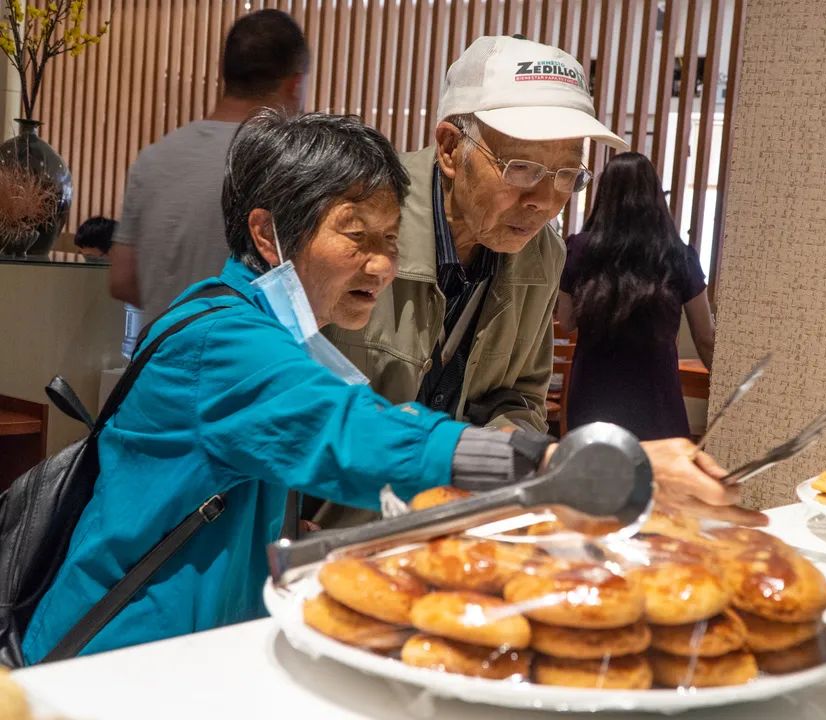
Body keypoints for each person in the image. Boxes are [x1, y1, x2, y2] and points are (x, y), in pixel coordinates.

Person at [19, 111, 739, 664]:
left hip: (193, 648)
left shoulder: (263, 322)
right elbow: (352, 431)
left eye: (391, 239)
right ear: (268, 234)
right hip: (116, 665)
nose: (381, 265)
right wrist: (564, 465)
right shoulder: (225, 340)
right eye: (356, 235)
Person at [321, 35, 627, 527]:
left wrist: (505, 450)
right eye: (522, 168)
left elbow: (521, 394)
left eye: (568, 175)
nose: (545, 201)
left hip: (449, 526)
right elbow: (288, 389)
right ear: (450, 148)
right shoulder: (351, 221)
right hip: (323, 525)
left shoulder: (543, 253)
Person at [108, 9, 309, 320]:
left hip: (159, 347)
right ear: (294, 84)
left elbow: (122, 280)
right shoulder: (291, 165)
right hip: (250, 350)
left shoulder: (153, 159)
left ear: (224, 73)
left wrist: (177, 303)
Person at [555, 152, 715, 441]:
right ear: (655, 194)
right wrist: (724, 384)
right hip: (656, 396)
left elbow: (565, 321)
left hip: (593, 392)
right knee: (658, 467)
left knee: (592, 465)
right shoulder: (678, 255)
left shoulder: (578, 249)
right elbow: (705, 336)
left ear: (604, 194)